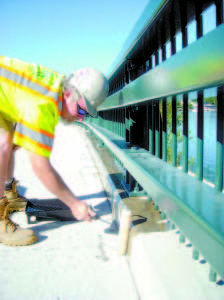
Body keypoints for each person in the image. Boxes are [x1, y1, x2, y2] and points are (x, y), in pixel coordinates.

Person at [0, 56, 109, 246]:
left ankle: (9, 195)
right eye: (81, 110)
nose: (81, 118)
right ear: (68, 95)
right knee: (2, 145)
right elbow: (41, 167)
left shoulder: (56, 84)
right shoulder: (43, 104)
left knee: (9, 140)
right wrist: (74, 204)